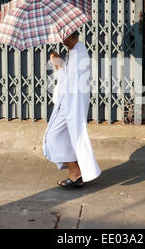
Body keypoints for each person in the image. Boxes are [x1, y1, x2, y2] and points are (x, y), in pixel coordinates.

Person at [42, 31, 101, 188]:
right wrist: (60, 63)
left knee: (53, 137)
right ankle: (77, 173)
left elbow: (69, 82)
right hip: (67, 103)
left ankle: (76, 172)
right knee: (65, 137)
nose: (62, 42)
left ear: (71, 37)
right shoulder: (74, 51)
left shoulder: (79, 53)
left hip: (70, 105)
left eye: (64, 38)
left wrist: (58, 64)